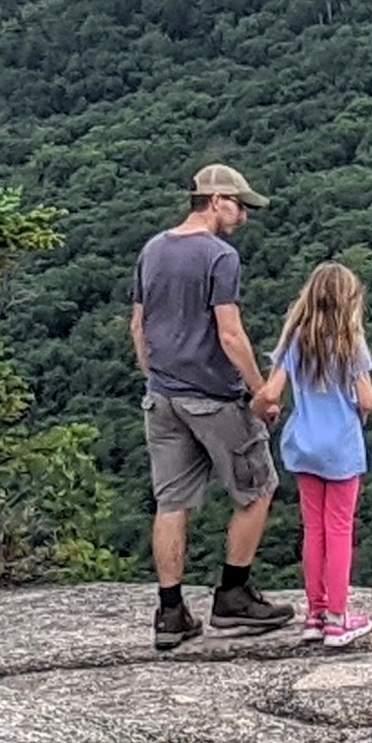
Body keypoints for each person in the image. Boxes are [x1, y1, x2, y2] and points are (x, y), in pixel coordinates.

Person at [128, 162, 290, 651]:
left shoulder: (153, 249)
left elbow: (138, 327)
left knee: (171, 501)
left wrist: (155, 376)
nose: (243, 216)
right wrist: (261, 393)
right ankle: (233, 595)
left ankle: (170, 612)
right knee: (258, 487)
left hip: (163, 397)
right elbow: (230, 333)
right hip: (213, 397)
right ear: (217, 201)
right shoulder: (220, 256)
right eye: (239, 206)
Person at [271, 262, 372, 645]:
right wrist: (360, 410)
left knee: (313, 530)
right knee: (339, 529)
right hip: (341, 449)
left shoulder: (295, 340)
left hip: (305, 446)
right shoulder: (351, 343)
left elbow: (273, 390)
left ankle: (315, 614)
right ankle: (338, 617)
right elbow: (367, 399)